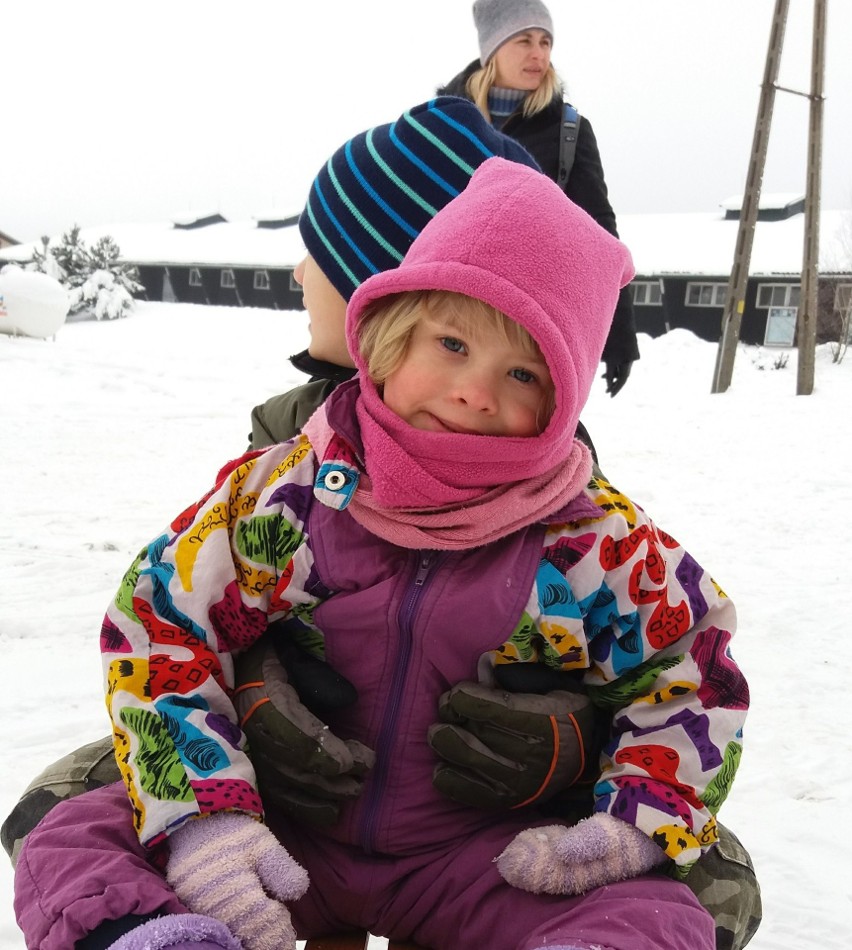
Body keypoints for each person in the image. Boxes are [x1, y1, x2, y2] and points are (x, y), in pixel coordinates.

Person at [6, 100, 760, 950]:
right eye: (451, 345)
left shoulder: (587, 534)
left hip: (469, 854)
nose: (478, 390)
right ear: (392, 329)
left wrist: (617, 804)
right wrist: (207, 810)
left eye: (522, 371)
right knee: (75, 828)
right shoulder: (289, 488)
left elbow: (689, 666)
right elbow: (162, 615)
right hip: (287, 835)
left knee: (662, 909)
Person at [438, 0, 640, 398]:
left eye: (546, 41)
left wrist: (617, 338)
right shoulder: (445, 120)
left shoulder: (568, 131)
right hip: (441, 312)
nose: (539, 53)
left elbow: (600, 232)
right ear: (492, 49)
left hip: (527, 320)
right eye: (524, 40)